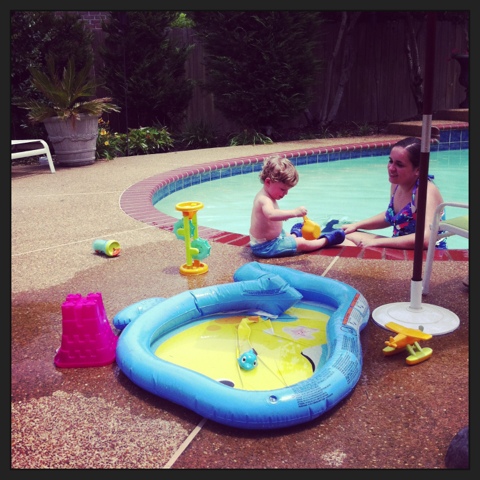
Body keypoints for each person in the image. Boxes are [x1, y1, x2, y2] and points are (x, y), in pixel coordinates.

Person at [341, 137, 447, 249]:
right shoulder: (397, 185)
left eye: (399, 165)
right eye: (391, 161)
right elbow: (390, 216)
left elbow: (426, 239)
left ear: (418, 170)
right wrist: (356, 225)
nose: (391, 168)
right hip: (399, 247)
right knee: (344, 236)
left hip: (425, 254)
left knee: (351, 244)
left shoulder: (425, 191)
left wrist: (378, 242)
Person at [249, 155, 345, 258]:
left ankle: (294, 234)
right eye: (282, 189)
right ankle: (325, 241)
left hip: (273, 238)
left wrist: (283, 217)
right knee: (302, 243)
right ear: (268, 182)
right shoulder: (263, 199)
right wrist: (294, 213)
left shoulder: (269, 195)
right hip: (266, 247)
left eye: (287, 190)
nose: (286, 193)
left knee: (286, 235)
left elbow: (271, 217)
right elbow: (271, 214)